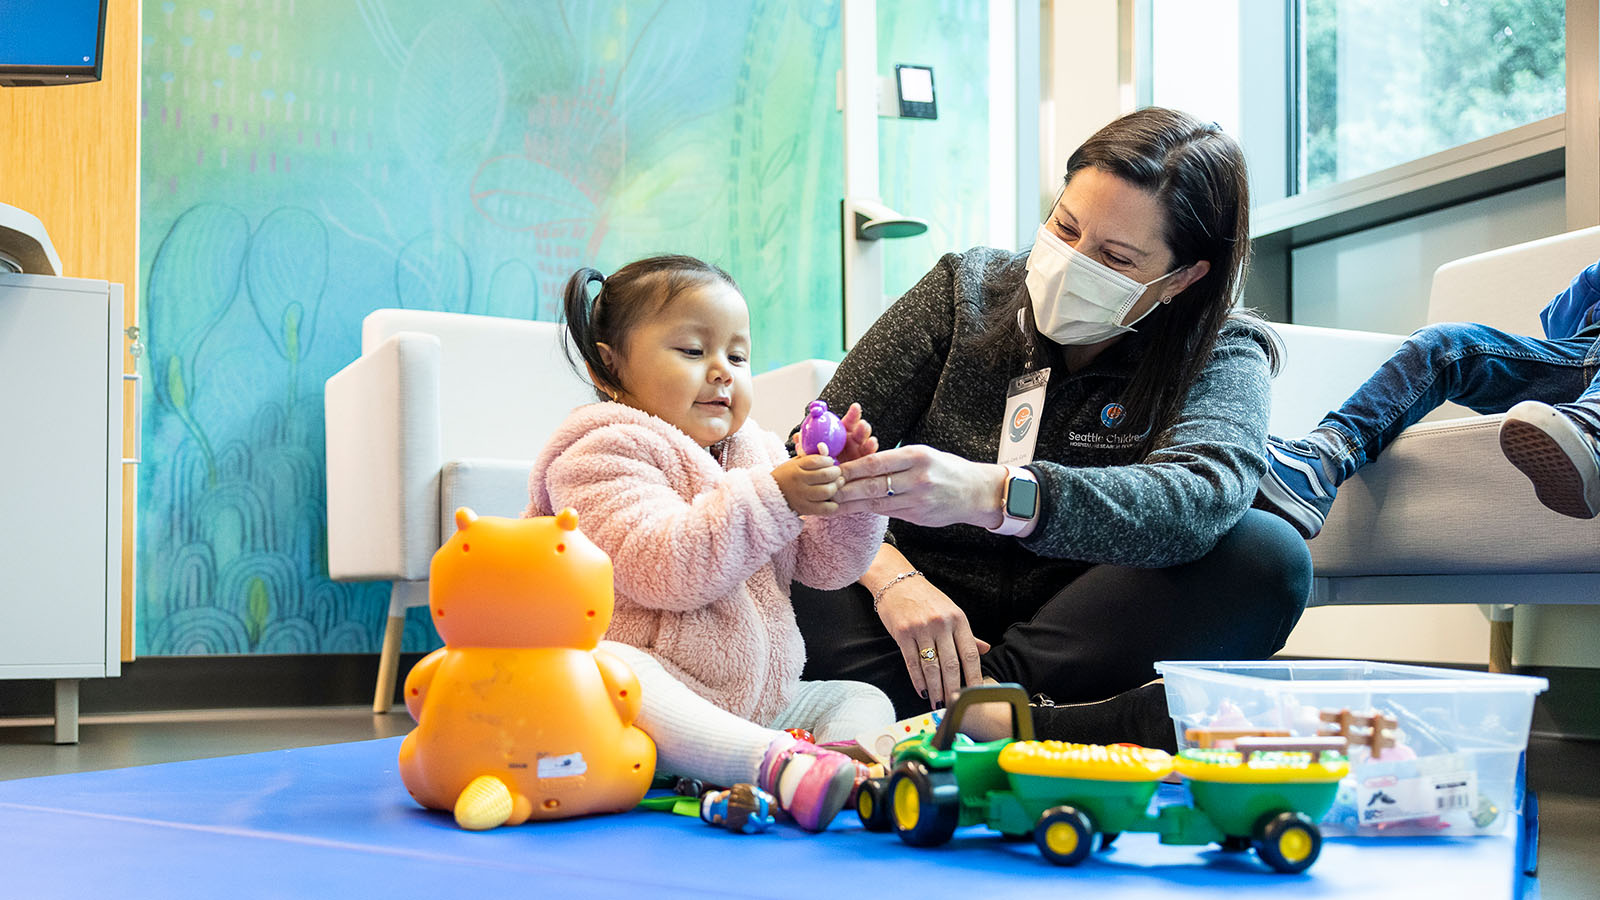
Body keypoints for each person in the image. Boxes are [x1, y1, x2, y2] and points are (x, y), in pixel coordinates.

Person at [788, 108, 1312, 751]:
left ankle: (969, 716)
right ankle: (1044, 728)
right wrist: (889, 576)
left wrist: (997, 493)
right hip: (910, 623)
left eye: (1116, 258)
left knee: (1266, 557)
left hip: (1075, 628)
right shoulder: (964, 290)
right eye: (1065, 226)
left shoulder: (1221, 350)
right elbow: (810, 451)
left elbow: (1200, 498)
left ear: (1184, 277)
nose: (1072, 261)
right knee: (764, 531)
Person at [525, 255, 894, 831]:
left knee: (859, 699)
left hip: (756, 698)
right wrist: (776, 498)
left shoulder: (762, 453)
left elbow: (827, 569)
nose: (722, 370)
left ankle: (850, 772)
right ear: (609, 368)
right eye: (694, 352)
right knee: (611, 668)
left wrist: (850, 497)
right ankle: (776, 763)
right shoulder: (598, 455)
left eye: (738, 355)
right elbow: (663, 565)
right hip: (643, 706)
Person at [1256, 262, 1600, 538]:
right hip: (1583, 358)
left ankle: (1589, 431)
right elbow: (1558, 325)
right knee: (1444, 343)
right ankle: (1320, 464)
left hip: (1582, 392)